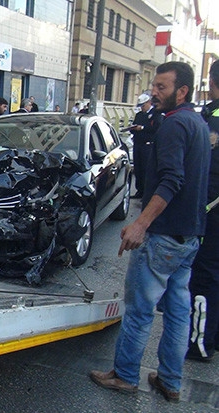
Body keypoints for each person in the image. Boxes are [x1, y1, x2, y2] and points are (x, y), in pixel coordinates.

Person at [89, 61, 210, 403]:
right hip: (189, 238)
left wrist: (141, 224)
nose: (154, 93)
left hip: (163, 237)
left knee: (140, 310)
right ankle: (170, 381)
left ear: (182, 91)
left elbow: (172, 180)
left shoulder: (174, 126)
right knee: (176, 312)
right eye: (154, 86)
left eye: (161, 87)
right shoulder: (198, 123)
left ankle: (125, 375)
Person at [187, 59, 219, 363]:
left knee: (204, 279)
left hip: (211, 211)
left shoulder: (213, 119)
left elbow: (207, 173)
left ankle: (199, 343)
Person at [130, 93, 162, 199]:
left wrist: (143, 128)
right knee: (138, 169)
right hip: (138, 144)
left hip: (148, 146)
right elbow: (135, 125)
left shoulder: (156, 114)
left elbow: (156, 128)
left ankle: (147, 193)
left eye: (143, 106)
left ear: (149, 103)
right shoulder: (139, 115)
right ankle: (139, 191)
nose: (142, 108)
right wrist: (133, 128)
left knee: (146, 170)